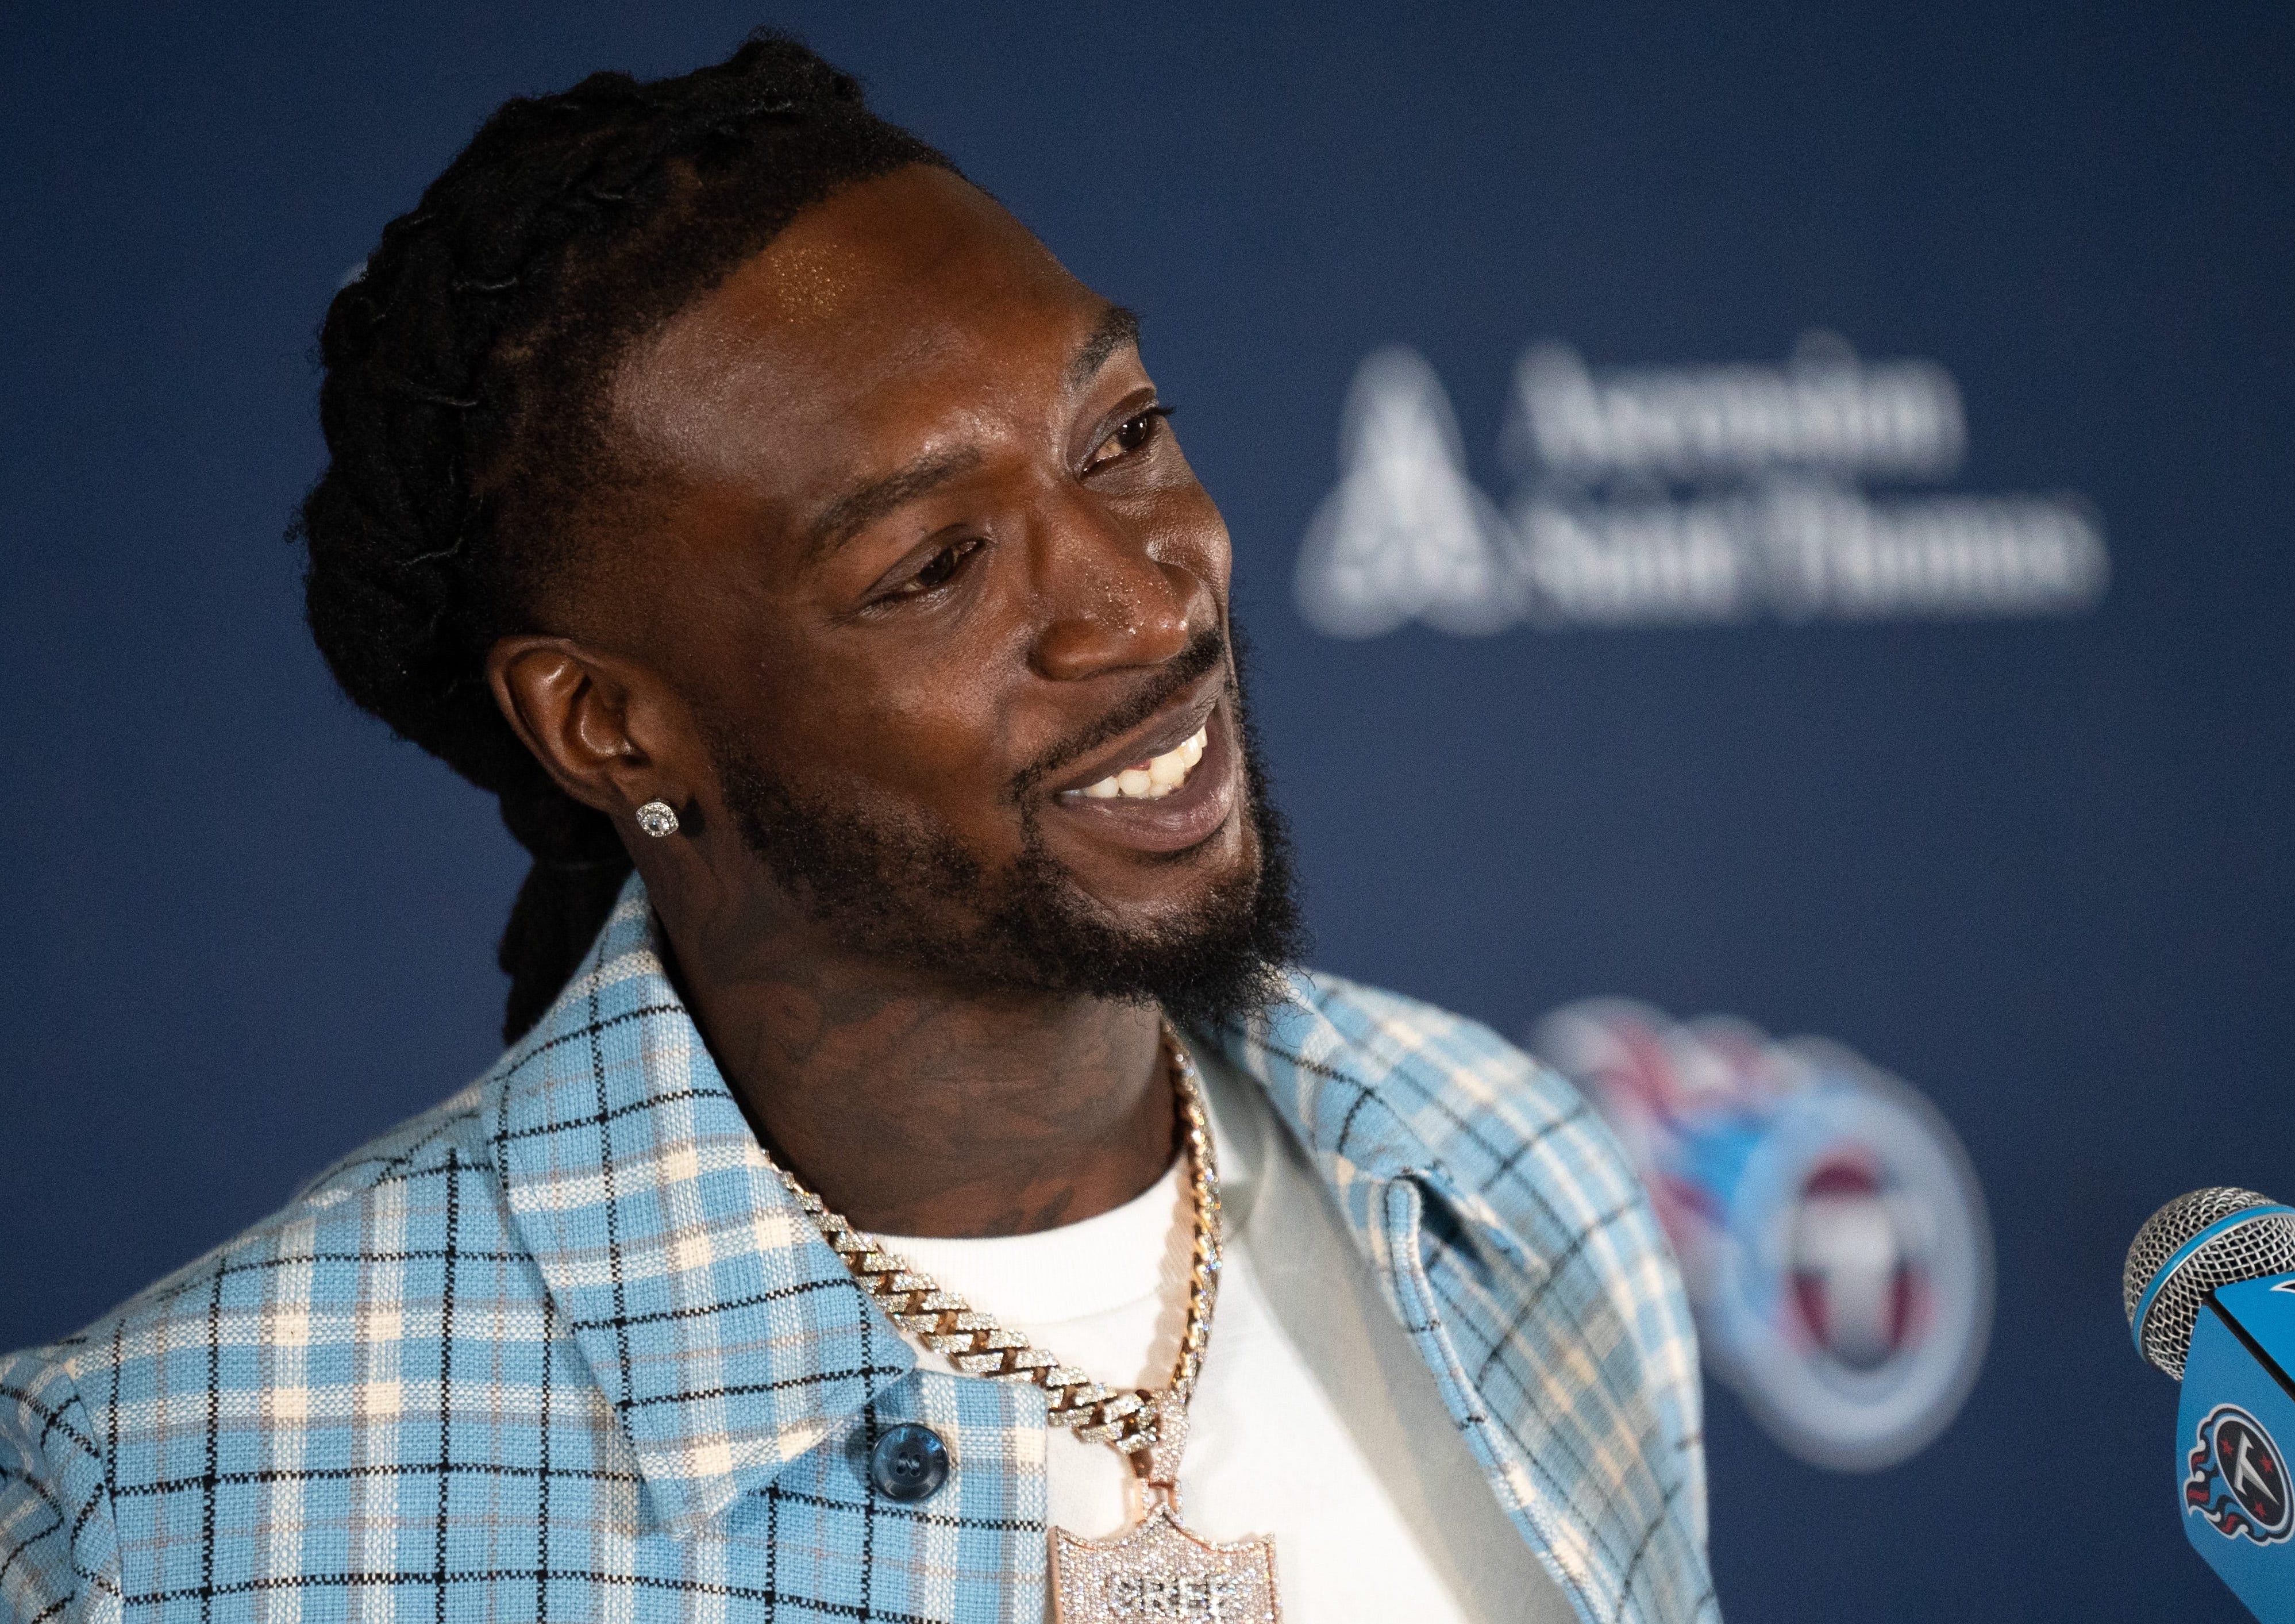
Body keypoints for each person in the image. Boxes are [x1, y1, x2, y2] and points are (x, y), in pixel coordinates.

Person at [0, 35, 1711, 1624]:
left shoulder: (1505, 1171)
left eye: (1119, 435)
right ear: (610, 724)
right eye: (932, 567)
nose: (1138, 598)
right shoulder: (176, 1501)